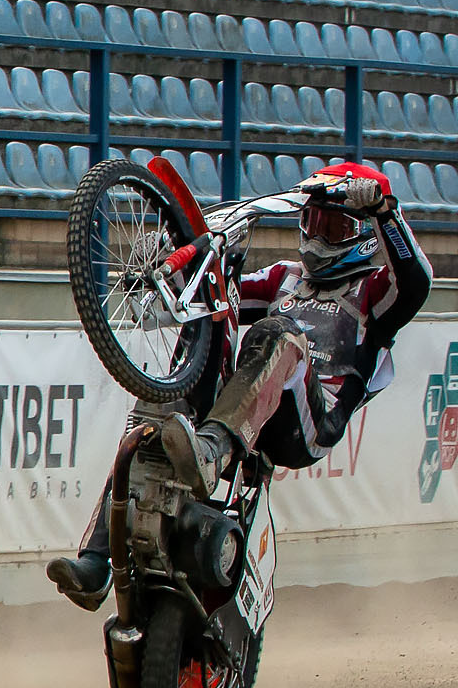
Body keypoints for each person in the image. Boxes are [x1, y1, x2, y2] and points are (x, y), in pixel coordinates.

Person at [47, 162, 433, 608]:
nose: (319, 235)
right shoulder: (285, 277)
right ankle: (97, 564)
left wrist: (386, 212)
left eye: (334, 225)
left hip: (307, 422)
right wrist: (166, 267)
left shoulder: (375, 291)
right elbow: (216, 296)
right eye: (313, 221)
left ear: (363, 234)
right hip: (244, 403)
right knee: (202, 331)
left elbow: (417, 282)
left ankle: (211, 450)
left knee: (278, 333)